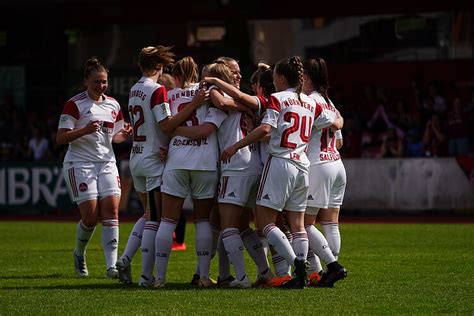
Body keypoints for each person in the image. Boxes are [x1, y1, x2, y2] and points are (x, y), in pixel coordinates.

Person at [220, 56, 321, 288]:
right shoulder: (310, 102)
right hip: (302, 164)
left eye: (274, 77)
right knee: (297, 225)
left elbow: (266, 128)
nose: (272, 81)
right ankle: (301, 273)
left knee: (266, 223)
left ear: (282, 78)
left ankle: (296, 263)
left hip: (280, 162)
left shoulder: (277, 98)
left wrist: (236, 145)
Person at [56, 57, 132, 278]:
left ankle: (111, 266)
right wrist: (84, 130)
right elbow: (61, 138)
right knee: (90, 218)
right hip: (80, 163)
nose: (101, 86)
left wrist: (123, 136)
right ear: (86, 82)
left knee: (112, 211)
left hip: (107, 163)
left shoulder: (113, 104)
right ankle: (79, 253)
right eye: (97, 82)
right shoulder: (74, 104)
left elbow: (114, 137)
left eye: (105, 82)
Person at [153, 56, 219, 288]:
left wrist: (173, 133)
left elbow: (163, 129)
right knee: (202, 220)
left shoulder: (168, 95)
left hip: (177, 160)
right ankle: (203, 276)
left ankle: (159, 278)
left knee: (167, 220)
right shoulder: (209, 94)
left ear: (177, 76)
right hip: (205, 161)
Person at [302, 57, 347, 287]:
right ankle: (332, 268)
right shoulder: (330, 103)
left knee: (305, 223)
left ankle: (330, 266)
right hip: (337, 164)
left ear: (307, 78)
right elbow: (339, 141)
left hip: (318, 165)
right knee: (331, 223)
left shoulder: (310, 101)